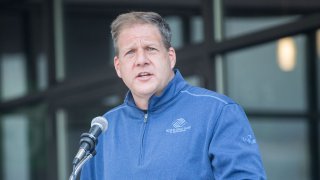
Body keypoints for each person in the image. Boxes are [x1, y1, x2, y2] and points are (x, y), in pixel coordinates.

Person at [80, 11, 266, 179]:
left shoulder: (218, 112)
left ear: (170, 58)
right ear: (118, 67)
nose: (141, 61)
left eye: (150, 49)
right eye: (130, 52)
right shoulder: (103, 129)